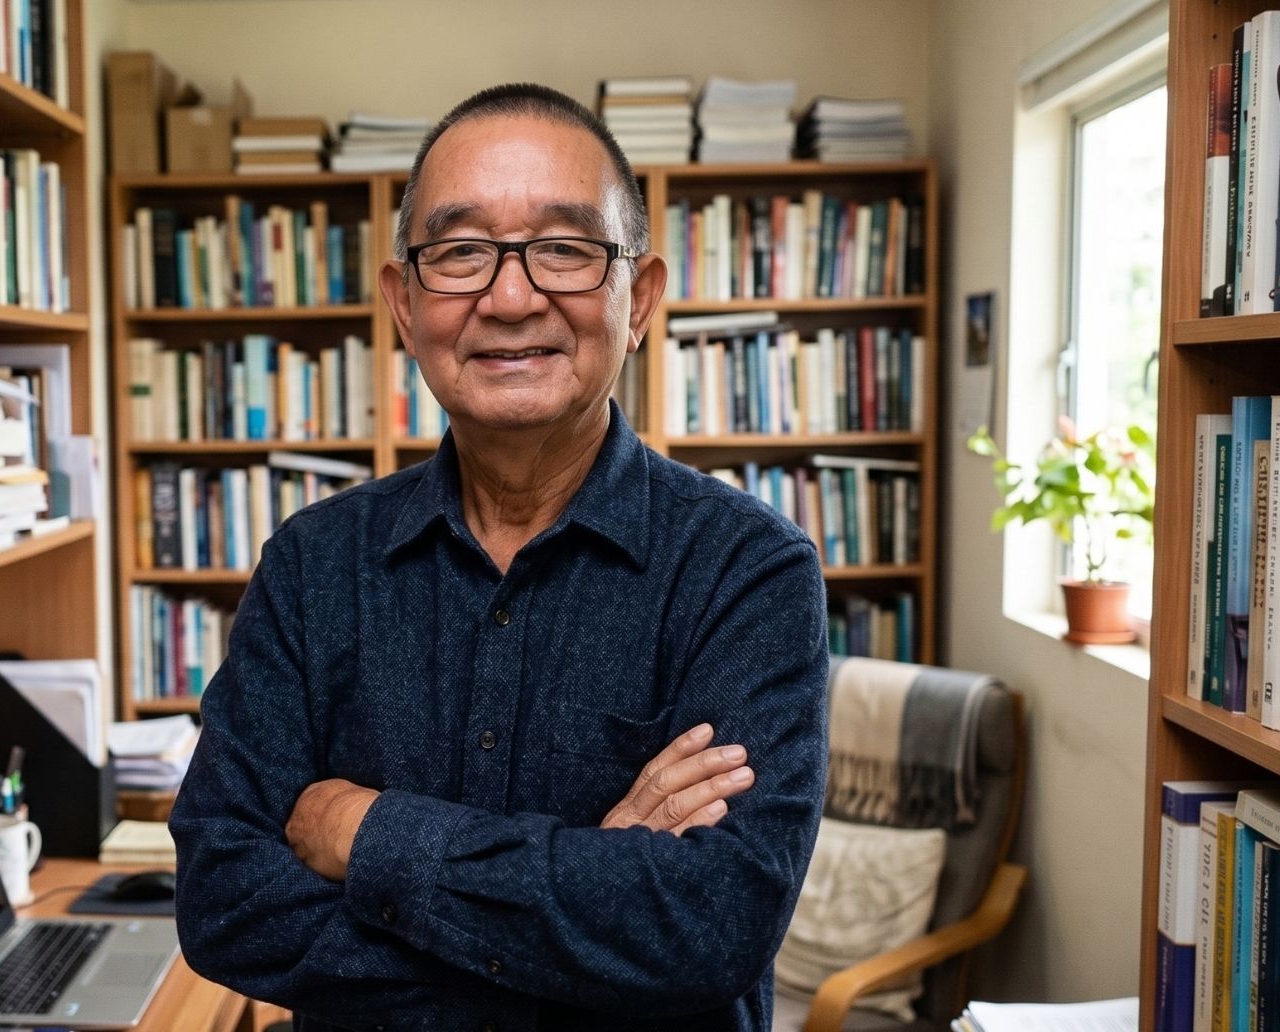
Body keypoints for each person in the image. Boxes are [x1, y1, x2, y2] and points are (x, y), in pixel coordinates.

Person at [168, 82, 830, 1032]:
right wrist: (584, 915)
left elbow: (708, 926)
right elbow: (227, 902)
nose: (511, 297)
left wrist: (360, 833)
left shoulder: (747, 572)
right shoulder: (314, 563)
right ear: (404, 305)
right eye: (461, 252)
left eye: (564, 249)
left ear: (637, 299)